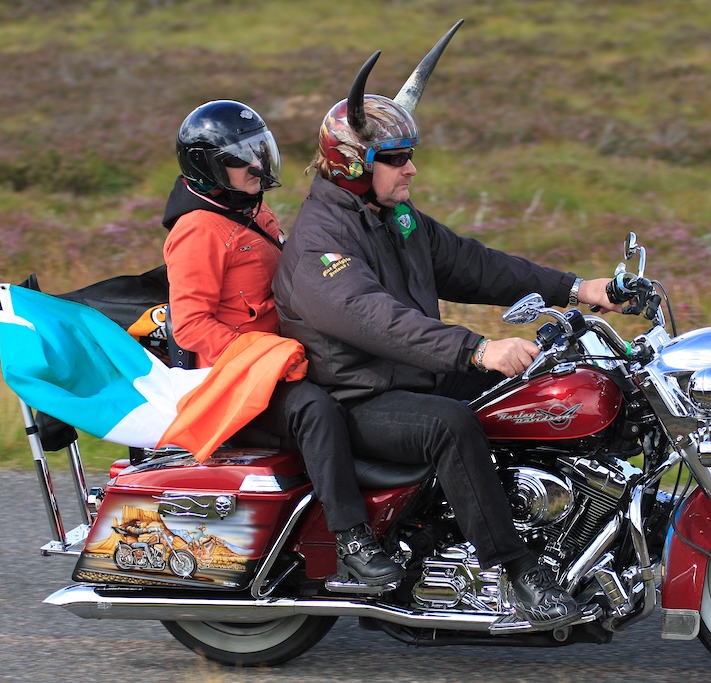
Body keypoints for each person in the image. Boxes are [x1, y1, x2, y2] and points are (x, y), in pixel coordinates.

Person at [272, 40, 620, 631]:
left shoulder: (395, 217)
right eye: (396, 158)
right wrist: (477, 349)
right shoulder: (319, 243)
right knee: (450, 425)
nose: (411, 168)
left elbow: (474, 265)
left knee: (547, 389)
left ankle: (574, 532)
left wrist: (578, 287)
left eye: (410, 155)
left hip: (412, 375)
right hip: (357, 396)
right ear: (354, 165)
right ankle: (518, 573)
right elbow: (375, 318)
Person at [162, 100, 404, 587]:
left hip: (286, 362)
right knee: (316, 410)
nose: (257, 166)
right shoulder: (198, 230)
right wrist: (266, 357)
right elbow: (190, 326)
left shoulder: (251, 209)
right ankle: (352, 540)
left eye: (259, 152)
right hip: (240, 382)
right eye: (241, 158)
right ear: (207, 167)